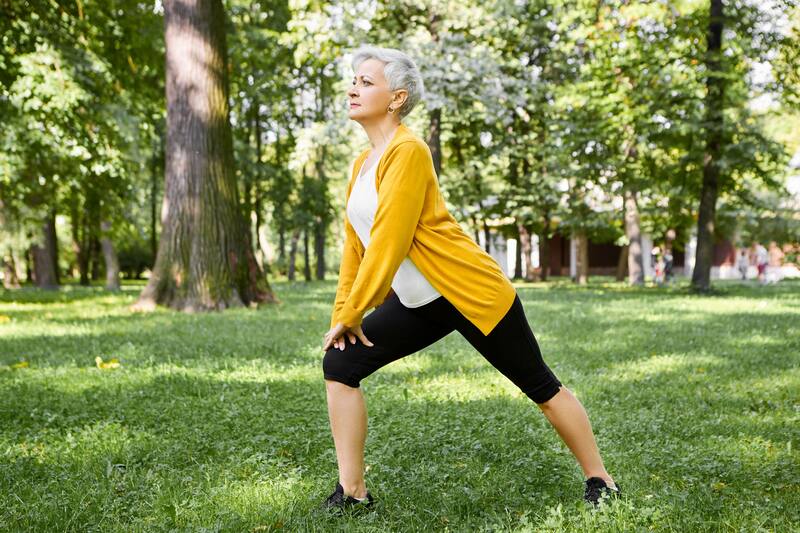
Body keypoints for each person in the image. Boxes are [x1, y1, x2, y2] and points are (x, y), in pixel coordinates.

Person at [320, 45, 620, 513]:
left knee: (540, 385)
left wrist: (357, 310)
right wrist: (345, 315)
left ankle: (601, 480)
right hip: (419, 302)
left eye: (365, 82)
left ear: (397, 98)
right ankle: (353, 494)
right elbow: (355, 249)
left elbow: (390, 239)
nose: (352, 89)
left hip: (468, 291)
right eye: (353, 81)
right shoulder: (362, 166)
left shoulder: (409, 151)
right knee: (340, 366)